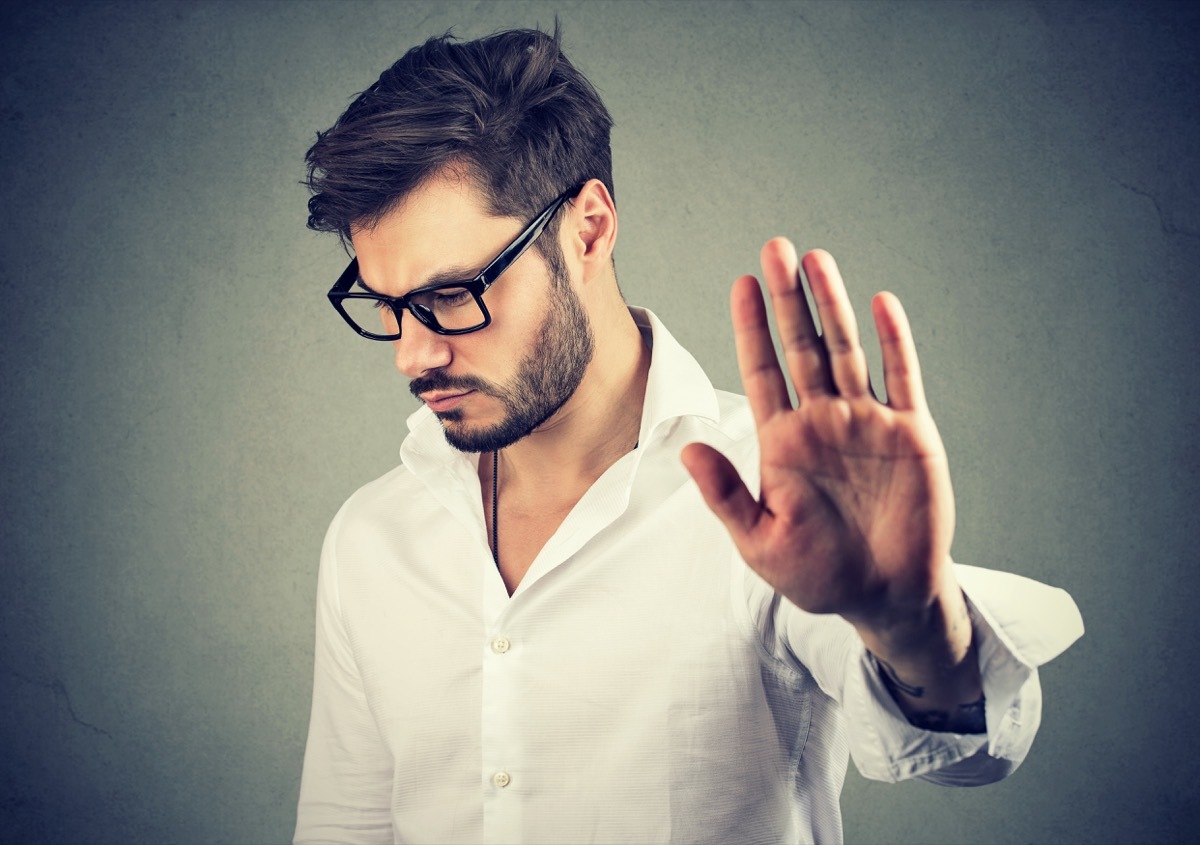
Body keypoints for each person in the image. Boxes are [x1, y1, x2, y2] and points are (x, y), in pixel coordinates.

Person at [294, 26, 1082, 845]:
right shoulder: (371, 538)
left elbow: (963, 752)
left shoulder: (776, 497)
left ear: (589, 229)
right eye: (385, 305)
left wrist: (909, 622)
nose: (411, 354)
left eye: (453, 294)